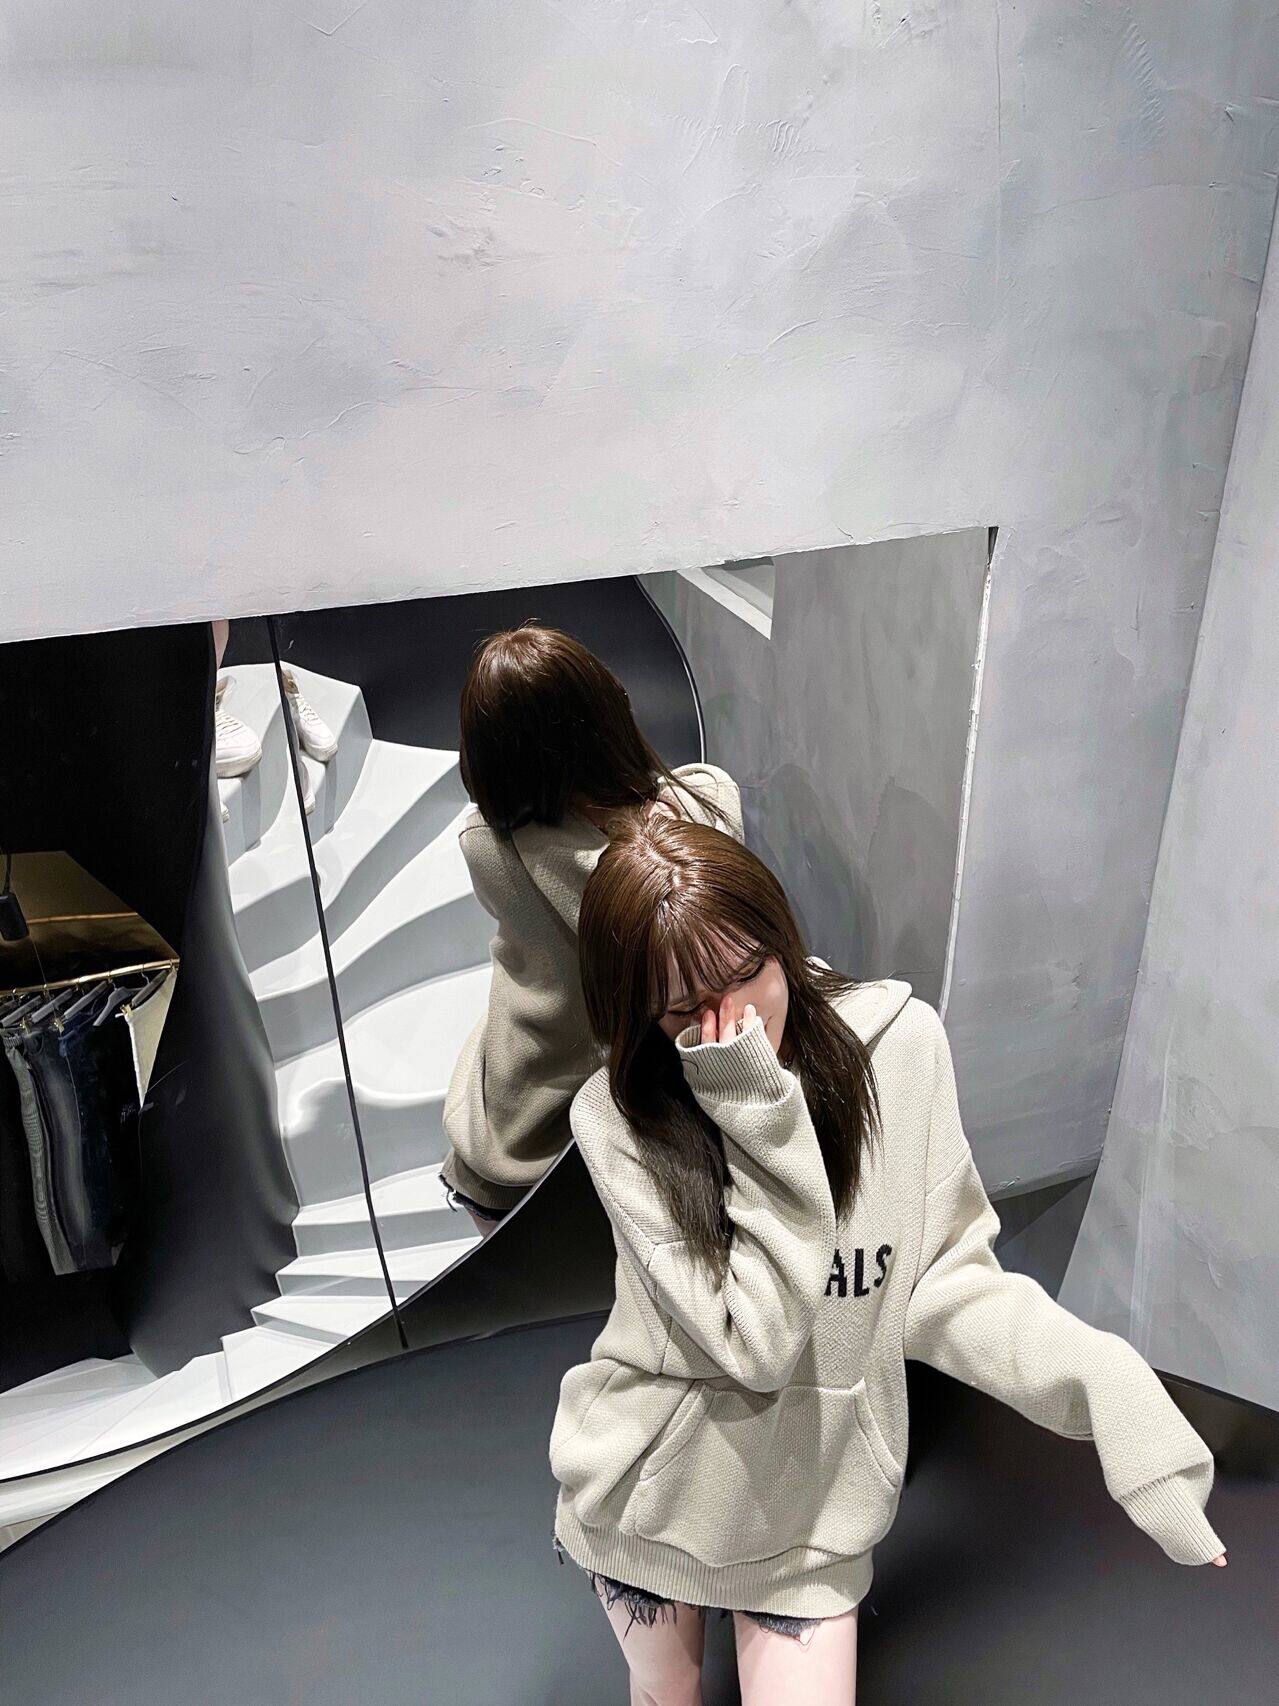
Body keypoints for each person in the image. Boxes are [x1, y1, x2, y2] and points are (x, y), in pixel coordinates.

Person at [549, 813, 1227, 1704]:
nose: (736, 1018)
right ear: (639, 1018)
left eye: (750, 970)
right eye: (685, 1010)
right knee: (661, 1698)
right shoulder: (618, 1119)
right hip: (653, 1491)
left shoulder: (900, 1051)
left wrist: (1105, 1386)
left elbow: (944, 1283)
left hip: (814, 1508)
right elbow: (755, 1344)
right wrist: (753, 1107)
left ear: (781, 937)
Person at [439, 621, 744, 1238]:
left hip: (521, 1128)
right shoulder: (706, 806)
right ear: (609, 711)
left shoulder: (488, 847)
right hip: (657, 1118)